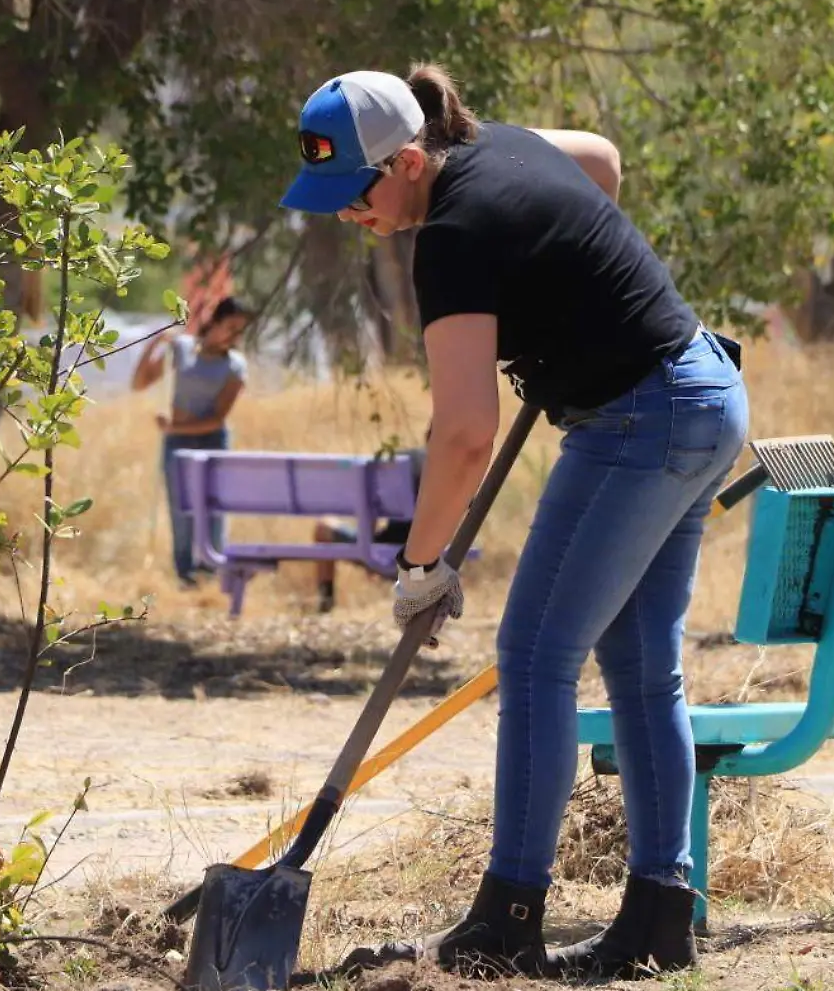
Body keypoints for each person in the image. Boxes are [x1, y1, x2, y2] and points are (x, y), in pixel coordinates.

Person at [279, 66, 748, 979]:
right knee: (643, 667)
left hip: (638, 420)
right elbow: (602, 162)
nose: (348, 215)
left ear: (410, 160)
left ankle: (508, 918)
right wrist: (557, 275)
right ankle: (659, 915)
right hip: (705, 393)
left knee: (536, 657)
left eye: (357, 193)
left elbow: (462, 437)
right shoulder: (499, 145)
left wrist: (420, 565)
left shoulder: (452, 234)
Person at [132, 296, 254, 587]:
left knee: (214, 508)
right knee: (181, 509)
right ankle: (185, 576)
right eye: (231, 327)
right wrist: (155, 344)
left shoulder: (236, 367)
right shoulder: (182, 349)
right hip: (178, 442)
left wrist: (174, 428)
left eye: (240, 331)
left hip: (212, 440)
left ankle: (211, 571)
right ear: (215, 322)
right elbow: (139, 383)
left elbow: (217, 418)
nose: (235, 336)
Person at [311, 435, 425, 613]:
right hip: (424, 561)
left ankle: (325, 601)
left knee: (323, 526)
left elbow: (371, 506)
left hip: (384, 553)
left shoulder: (397, 460)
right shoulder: (456, 471)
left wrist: (368, 549)